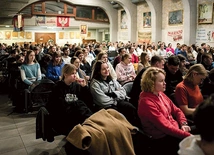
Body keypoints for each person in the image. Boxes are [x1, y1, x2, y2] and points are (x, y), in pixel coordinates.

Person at [138, 67, 191, 155]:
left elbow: (177, 110)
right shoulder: (146, 102)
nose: (165, 83)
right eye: (161, 81)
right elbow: (165, 127)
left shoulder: (160, 93)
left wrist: (183, 123)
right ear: (151, 83)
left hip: (174, 129)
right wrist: (189, 136)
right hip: (162, 139)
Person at [46, 64, 93, 135]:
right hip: (65, 118)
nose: (75, 75)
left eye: (75, 73)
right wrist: (76, 105)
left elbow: (88, 101)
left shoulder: (77, 86)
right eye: (72, 73)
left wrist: (84, 87)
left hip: (79, 114)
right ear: (65, 74)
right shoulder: (57, 87)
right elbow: (58, 107)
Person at [90, 60, 137, 125]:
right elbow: (102, 101)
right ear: (98, 71)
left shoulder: (112, 80)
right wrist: (116, 99)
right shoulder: (95, 84)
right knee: (120, 116)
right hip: (106, 107)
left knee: (131, 108)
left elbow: (123, 92)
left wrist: (114, 94)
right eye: (103, 69)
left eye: (107, 68)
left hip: (117, 102)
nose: (107, 70)